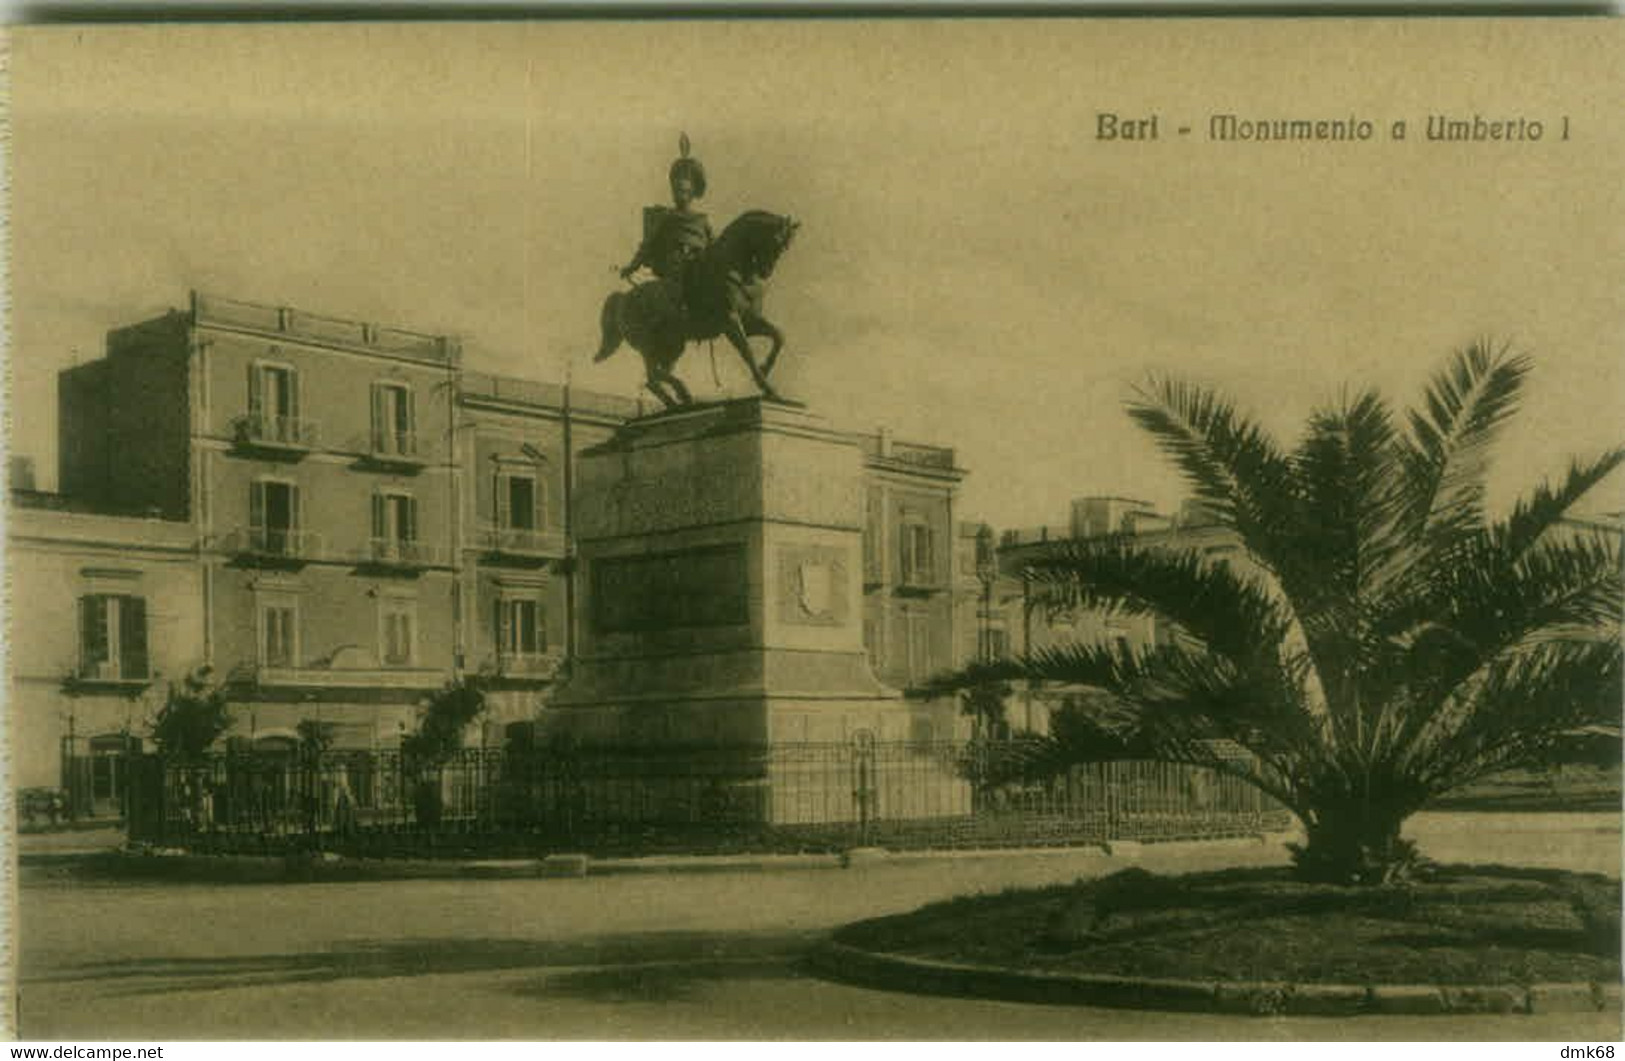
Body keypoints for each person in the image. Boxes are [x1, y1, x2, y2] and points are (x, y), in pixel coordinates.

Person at [620, 135, 714, 324]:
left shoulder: (702, 220)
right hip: (675, 268)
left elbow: (714, 245)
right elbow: (647, 245)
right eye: (677, 191)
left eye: (685, 192)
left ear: (693, 194)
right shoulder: (665, 217)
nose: (680, 195)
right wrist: (632, 266)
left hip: (698, 265)